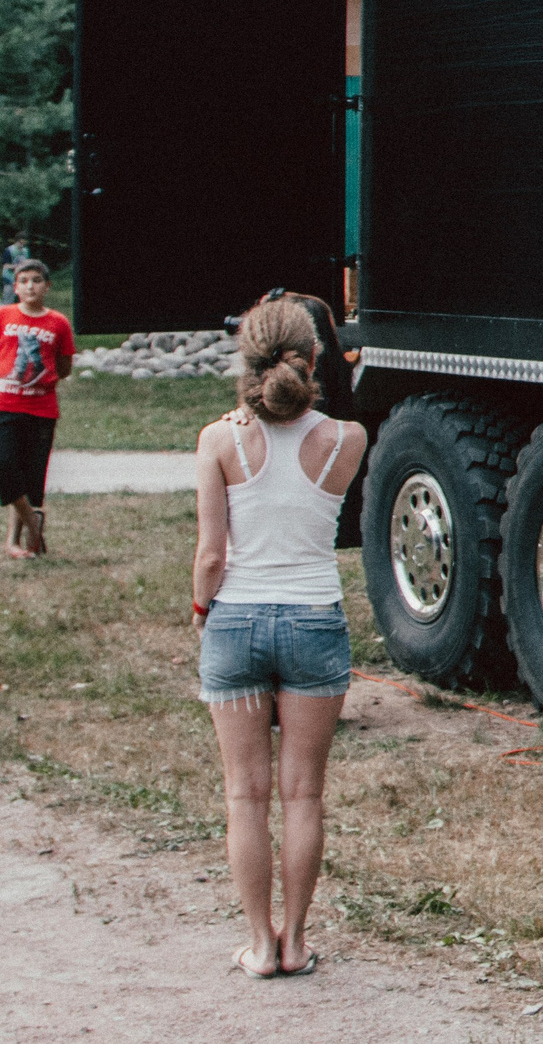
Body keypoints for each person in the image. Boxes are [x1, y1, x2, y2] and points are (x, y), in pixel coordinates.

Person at [191, 297, 368, 979]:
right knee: (303, 794)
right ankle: (296, 939)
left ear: (246, 358)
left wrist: (203, 609)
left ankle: (258, 946)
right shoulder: (348, 439)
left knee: (245, 793)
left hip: (236, 618)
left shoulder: (219, 439)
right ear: (317, 355)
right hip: (313, 620)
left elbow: (211, 553)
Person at [0, 256, 72, 559]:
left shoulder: (58, 323)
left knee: (29, 477)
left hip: (40, 410)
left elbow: (64, 367)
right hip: (1, 404)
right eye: (23, 281)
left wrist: (39, 380)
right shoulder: (0, 316)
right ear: (14, 287)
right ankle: (33, 523)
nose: (30, 286)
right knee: (1, 464)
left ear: (47, 286)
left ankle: (15, 543)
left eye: (37, 280)